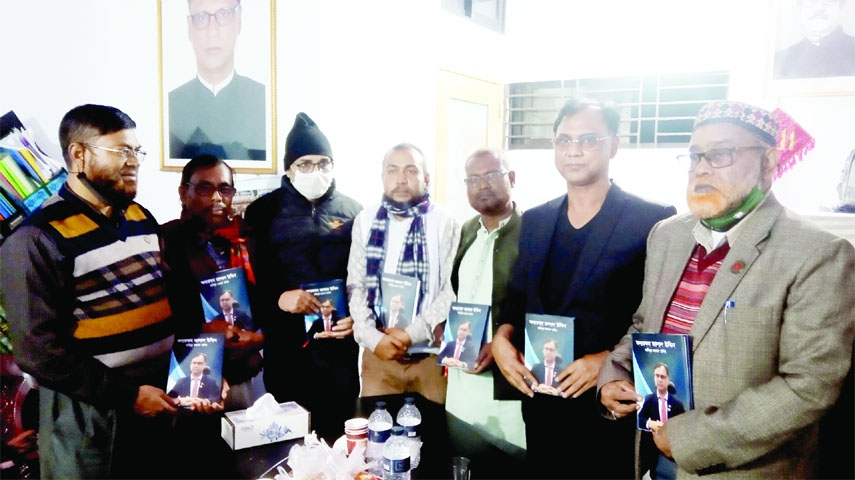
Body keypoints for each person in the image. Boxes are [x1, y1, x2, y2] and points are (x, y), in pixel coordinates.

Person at [598, 100, 855, 478]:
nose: (701, 167)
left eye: (720, 154)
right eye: (694, 156)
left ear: (768, 163)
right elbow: (643, 326)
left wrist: (690, 439)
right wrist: (614, 374)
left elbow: (809, 387)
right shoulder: (668, 235)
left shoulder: (817, 254)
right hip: (654, 459)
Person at [0, 104, 213, 478]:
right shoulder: (36, 240)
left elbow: (171, 305)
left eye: (136, 152)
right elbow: (39, 354)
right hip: (92, 421)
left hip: (160, 402)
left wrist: (204, 375)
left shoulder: (140, 219)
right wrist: (128, 398)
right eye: (120, 151)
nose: (133, 162)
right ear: (78, 155)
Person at [491, 98, 677, 478]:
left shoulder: (652, 220)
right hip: (541, 401)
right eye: (564, 140)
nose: (573, 150)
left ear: (614, 145)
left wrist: (608, 360)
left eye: (588, 139)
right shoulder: (537, 220)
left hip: (606, 406)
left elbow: (661, 316)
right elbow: (516, 299)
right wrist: (501, 338)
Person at [244, 112, 361, 444]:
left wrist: (356, 316)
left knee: (340, 439)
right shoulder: (262, 213)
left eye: (324, 163)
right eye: (305, 163)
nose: (316, 171)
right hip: (287, 349)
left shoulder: (355, 212)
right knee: (288, 442)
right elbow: (249, 281)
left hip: (340, 350)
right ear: (289, 168)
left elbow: (364, 278)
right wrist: (279, 298)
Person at [347, 142, 460, 477]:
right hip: (379, 357)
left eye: (411, 170)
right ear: (382, 177)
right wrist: (371, 337)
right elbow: (356, 285)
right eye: (393, 170)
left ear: (425, 177)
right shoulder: (365, 220)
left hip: (429, 358)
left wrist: (409, 334)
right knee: (377, 455)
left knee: (433, 450)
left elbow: (449, 292)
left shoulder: (444, 221)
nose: (401, 178)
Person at [161, 154, 264, 412]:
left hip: (242, 375)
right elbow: (159, 315)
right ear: (184, 193)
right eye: (205, 188)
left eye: (224, 188)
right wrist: (202, 328)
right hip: (186, 380)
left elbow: (267, 301)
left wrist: (259, 338)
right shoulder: (164, 242)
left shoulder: (246, 240)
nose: (217, 198)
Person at [448, 148, 526, 476]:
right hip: (461, 386)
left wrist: (499, 341)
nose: (481, 185)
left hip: (508, 387)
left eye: (491, 175)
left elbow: (538, 304)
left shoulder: (533, 232)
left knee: (507, 468)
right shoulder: (466, 230)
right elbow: (456, 292)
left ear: (511, 179)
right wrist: (444, 330)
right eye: (473, 178)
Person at [169, 0, 266, 160]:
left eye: (223, 14)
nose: (212, 31)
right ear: (189, 27)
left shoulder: (263, 99)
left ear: (238, 20)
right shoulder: (171, 103)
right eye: (201, 17)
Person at [773, 0, 855, 79]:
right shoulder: (777, 63)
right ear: (799, 11)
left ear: (841, 8)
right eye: (810, 1)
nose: (819, 8)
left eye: (828, 1)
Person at [637, 363, 685, 431]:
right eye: (657, 376)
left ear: (668, 379)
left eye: (662, 377)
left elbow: (684, 423)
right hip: (652, 440)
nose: (659, 380)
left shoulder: (677, 403)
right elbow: (639, 419)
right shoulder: (649, 400)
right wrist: (649, 423)